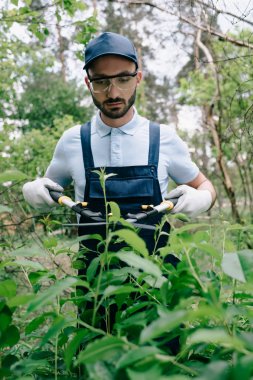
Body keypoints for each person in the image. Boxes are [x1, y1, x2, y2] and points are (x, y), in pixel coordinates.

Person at [22, 32, 216, 336]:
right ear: (88, 83)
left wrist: (201, 198)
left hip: (156, 292)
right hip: (94, 292)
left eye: (123, 79)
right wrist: (34, 188)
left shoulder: (162, 138)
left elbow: (207, 187)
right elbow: (50, 187)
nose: (113, 91)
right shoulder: (73, 141)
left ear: (138, 78)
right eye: (101, 81)